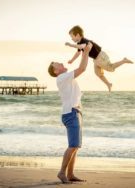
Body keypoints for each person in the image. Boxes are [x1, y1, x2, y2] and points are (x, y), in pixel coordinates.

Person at [48, 42, 92, 184]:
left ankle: (71, 174)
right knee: (73, 145)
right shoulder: (61, 78)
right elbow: (82, 68)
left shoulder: (65, 77)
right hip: (71, 113)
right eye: (57, 64)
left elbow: (80, 68)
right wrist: (86, 51)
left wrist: (82, 53)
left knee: (76, 147)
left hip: (75, 113)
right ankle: (62, 172)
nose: (60, 63)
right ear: (56, 71)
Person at [65, 25, 134, 92]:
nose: (71, 39)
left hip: (100, 56)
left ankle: (123, 61)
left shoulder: (84, 41)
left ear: (77, 35)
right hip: (96, 59)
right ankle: (109, 84)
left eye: (72, 37)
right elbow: (78, 52)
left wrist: (71, 45)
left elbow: (82, 46)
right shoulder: (79, 43)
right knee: (98, 73)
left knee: (111, 68)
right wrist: (72, 60)